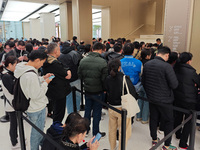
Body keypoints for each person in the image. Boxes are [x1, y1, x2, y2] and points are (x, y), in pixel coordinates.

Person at [14, 49, 53, 150]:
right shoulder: (30, 74)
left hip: (32, 106)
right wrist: (46, 83)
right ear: (37, 60)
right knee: (36, 134)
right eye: (42, 62)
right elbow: (36, 94)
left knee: (38, 132)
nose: (42, 65)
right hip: (36, 108)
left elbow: (31, 85)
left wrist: (43, 78)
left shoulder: (23, 67)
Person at [142, 46, 178, 150]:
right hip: (165, 100)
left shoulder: (147, 64)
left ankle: (154, 139)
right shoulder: (167, 67)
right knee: (168, 121)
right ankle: (166, 145)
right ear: (167, 55)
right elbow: (174, 85)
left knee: (153, 118)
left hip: (151, 97)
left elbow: (143, 81)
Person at [105, 59, 137, 150]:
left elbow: (106, 90)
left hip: (111, 107)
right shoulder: (124, 78)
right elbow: (132, 93)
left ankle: (112, 147)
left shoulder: (108, 78)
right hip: (123, 108)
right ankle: (121, 148)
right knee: (123, 131)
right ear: (119, 67)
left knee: (112, 129)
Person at [78, 42, 108, 137]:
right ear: (100, 50)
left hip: (87, 89)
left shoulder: (83, 60)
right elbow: (104, 79)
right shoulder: (103, 62)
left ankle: (85, 131)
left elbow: (79, 75)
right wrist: (104, 89)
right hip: (98, 91)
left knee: (87, 110)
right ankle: (96, 133)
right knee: (96, 112)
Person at [174, 52, 200, 150]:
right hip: (189, 100)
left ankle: (177, 134)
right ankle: (183, 143)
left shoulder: (175, 68)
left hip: (177, 97)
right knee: (188, 122)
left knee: (178, 116)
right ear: (189, 61)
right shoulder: (192, 72)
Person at [42, 42, 71, 123]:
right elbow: (67, 75)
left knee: (56, 110)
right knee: (59, 113)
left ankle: (56, 128)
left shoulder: (46, 61)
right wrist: (68, 71)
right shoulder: (54, 63)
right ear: (55, 51)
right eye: (59, 50)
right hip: (59, 91)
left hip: (52, 89)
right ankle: (56, 131)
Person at [120, 43, 143, 124]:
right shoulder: (139, 63)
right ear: (133, 52)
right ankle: (131, 120)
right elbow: (141, 75)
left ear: (123, 51)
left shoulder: (119, 62)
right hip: (134, 87)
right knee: (132, 104)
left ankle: (123, 120)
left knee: (123, 104)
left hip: (122, 86)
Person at [58, 41, 82, 114]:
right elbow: (79, 65)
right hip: (75, 78)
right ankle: (77, 111)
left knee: (68, 97)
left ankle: (70, 113)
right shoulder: (75, 54)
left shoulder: (60, 55)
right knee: (77, 95)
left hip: (65, 80)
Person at [1, 56, 18, 149]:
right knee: (14, 124)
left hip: (12, 103)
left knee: (15, 124)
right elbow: (12, 90)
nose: (17, 66)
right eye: (15, 64)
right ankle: (14, 142)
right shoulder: (6, 76)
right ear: (10, 64)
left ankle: (15, 138)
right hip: (11, 104)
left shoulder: (9, 74)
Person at [136, 49, 151, 124]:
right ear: (147, 56)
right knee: (146, 102)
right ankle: (144, 118)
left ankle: (138, 116)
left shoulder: (139, 62)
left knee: (140, 100)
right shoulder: (150, 63)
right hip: (147, 84)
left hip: (140, 83)